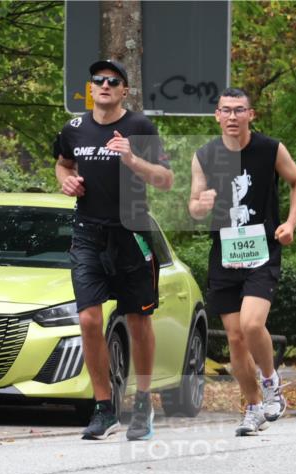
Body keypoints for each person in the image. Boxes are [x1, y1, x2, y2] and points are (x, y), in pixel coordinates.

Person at [53, 59, 174, 439]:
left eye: (113, 81)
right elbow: (63, 164)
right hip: (88, 234)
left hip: (131, 233)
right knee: (89, 319)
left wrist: (132, 159)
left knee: (138, 321)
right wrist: (66, 181)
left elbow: (166, 180)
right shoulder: (74, 129)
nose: (104, 85)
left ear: (124, 91)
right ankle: (104, 408)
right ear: (90, 88)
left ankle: (143, 403)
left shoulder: (140, 127)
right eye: (98, 80)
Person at [188, 87, 296, 436]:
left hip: (262, 251)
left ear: (250, 115)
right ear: (217, 116)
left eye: (239, 110)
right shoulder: (204, 156)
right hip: (225, 253)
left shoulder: (270, 149)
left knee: (252, 325)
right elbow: (193, 206)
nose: (232, 116)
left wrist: (290, 224)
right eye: (225, 110)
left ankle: (271, 384)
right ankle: (253, 408)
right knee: (236, 338)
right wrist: (201, 205)